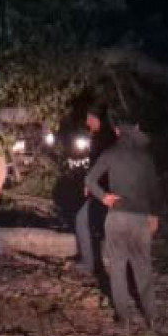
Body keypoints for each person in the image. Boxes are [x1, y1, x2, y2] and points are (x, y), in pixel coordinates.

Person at [85, 121, 161, 327]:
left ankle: (123, 318)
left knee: (117, 267)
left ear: (119, 132)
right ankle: (151, 316)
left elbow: (90, 180)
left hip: (117, 217)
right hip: (140, 219)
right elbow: (154, 191)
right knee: (143, 266)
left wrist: (104, 197)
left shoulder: (110, 153)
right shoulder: (146, 158)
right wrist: (154, 216)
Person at [74, 109, 117, 273]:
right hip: (101, 189)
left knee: (82, 220)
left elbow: (102, 167)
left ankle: (90, 263)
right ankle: (93, 262)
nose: (87, 123)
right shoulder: (102, 137)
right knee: (89, 221)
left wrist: (92, 185)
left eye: (89, 119)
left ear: (97, 119)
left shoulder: (104, 139)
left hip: (105, 191)